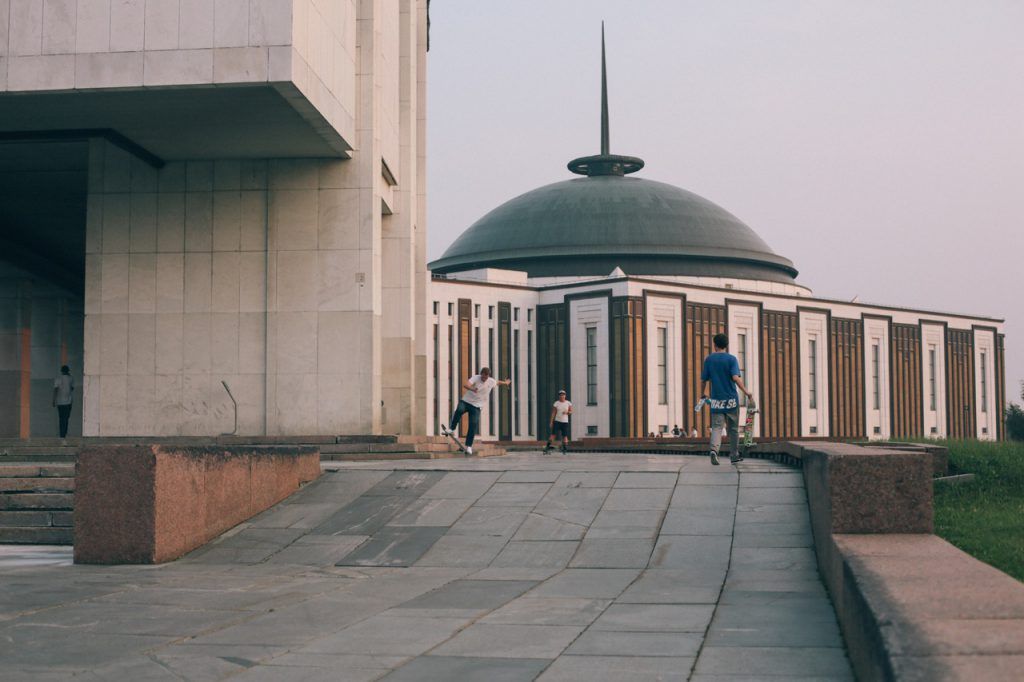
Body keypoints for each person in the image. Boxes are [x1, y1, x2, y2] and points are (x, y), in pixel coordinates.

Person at [701, 333, 754, 465]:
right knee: (734, 429)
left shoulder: (709, 360)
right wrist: (747, 392)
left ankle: (714, 450)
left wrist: (702, 394)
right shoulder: (732, 359)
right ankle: (734, 454)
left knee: (717, 427)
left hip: (716, 400)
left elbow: (704, 380)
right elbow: (736, 378)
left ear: (715, 345)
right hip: (731, 400)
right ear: (726, 345)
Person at [440, 367, 510, 456]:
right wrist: (472, 389)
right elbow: (466, 384)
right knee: (459, 410)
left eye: (486, 377)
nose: (484, 379)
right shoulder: (476, 378)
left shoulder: (491, 381)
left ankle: (469, 446)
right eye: (483, 377)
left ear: (488, 376)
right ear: (481, 374)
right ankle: (451, 429)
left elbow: (498, 382)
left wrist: (506, 383)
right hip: (466, 401)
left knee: (473, 425)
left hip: (477, 407)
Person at [543, 390, 573, 455]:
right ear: (559, 396)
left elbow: (571, 411)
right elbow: (553, 413)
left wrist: (567, 412)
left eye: (563, 395)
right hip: (557, 421)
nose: (562, 396)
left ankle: (564, 449)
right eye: (560, 395)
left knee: (565, 436)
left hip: (565, 422)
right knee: (553, 435)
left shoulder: (568, 403)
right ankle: (547, 447)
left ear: (565, 396)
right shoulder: (556, 403)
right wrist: (551, 422)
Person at [53, 365, 74, 439]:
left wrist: (53, 400)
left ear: (61, 371)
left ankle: (62, 434)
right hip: (68, 402)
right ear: (68, 370)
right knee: (66, 418)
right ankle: (64, 433)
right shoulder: (71, 378)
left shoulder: (58, 378)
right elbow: (72, 388)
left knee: (61, 418)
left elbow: (55, 390)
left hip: (60, 402)